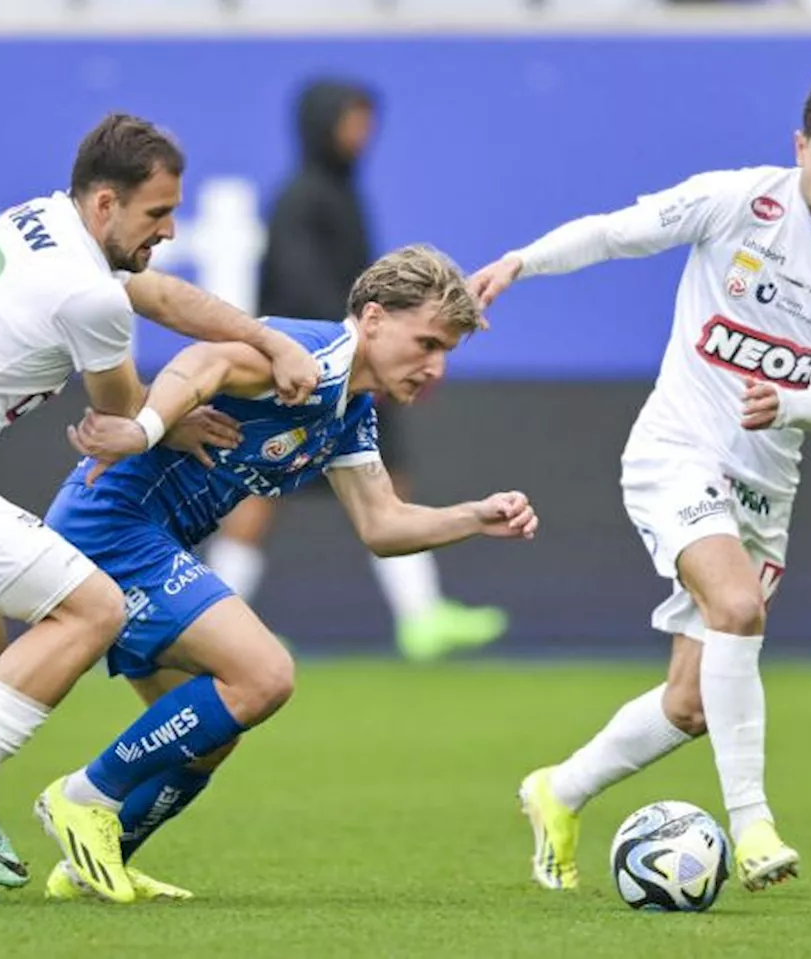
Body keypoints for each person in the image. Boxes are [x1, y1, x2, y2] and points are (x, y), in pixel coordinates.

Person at [0, 113, 321, 902]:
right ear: (105, 206)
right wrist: (164, 420)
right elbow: (121, 423)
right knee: (95, 607)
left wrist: (265, 339)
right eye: (157, 213)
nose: (169, 229)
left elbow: (159, 294)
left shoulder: (42, 220)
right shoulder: (90, 296)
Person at [470, 71, 811, 893]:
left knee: (691, 703)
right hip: (675, 450)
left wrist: (791, 400)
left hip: (764, 486)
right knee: (737, 606)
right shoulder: (737, 202)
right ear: (798, 147)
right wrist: (519, 263)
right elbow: (614, 233)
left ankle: (556, 790)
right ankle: (753, 827)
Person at [36, 245, 538, 903]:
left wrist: (473, 517)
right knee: (264, 675)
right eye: (427, 342)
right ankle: (81, 796)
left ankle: (92, 866)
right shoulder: (309, 354)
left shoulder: (350, 411)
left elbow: (382, 525)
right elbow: (207, 358)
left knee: (211, 733)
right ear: (375, 318)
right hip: (114, 528)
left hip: (146, 540)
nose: (435, 365)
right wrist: (146, 428)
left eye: (446, 351)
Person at [204, 78, 507, 662]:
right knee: (258, 492)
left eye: (368, 121)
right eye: (352, 120)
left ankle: (421, 618)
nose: (363, 133)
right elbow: (299, 288)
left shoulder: (340, 193)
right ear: (323, 123)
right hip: (309, 370)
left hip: (348, 367)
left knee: (385, 484)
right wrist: (356, 355)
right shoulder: (303, 198)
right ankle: (219, 619)